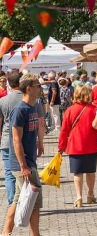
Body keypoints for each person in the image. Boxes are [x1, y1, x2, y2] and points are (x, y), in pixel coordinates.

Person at [2, 73, 44, 236]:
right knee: (34, 201)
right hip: (22, 163)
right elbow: (16, 140)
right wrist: (23, 166)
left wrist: (40, 143)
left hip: (29, 160)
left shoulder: (33, 106)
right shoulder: (20, 110)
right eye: (37, 86)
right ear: (29, 88)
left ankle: (6, 232)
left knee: (19, 198)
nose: (40, 88)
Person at [58, 85, 97, 207]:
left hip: (75, 145)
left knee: (77, 173)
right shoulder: (94, 109)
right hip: (91, 144)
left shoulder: (70, 110)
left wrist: (61, 146)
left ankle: (79, 196)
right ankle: (90, 195)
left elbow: (64, 130)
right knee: (91, 172)